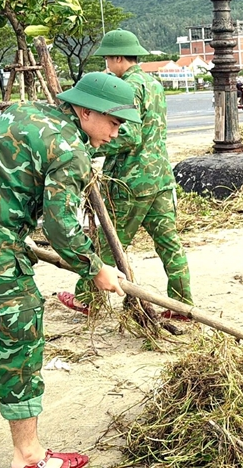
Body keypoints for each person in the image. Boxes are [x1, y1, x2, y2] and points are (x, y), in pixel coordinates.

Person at [0, 72, 139, 468]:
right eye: (114, 121)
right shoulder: (70, 149)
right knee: (18, 344)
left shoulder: (23, 110)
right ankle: (29, 455)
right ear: (86, 110)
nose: (115, 133)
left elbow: (5, 178)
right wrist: (95, 269)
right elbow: (60, 226)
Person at [61, 29, 193, 319]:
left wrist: (87, 149)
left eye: (108, 59)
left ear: (118, 57)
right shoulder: (154, 84)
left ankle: (86, 298)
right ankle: (183, 303)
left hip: (130, 180)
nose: (108, 65)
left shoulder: (125, 88)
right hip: (159, 176)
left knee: (110, 242)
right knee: (169, 244)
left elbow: (129, 136)